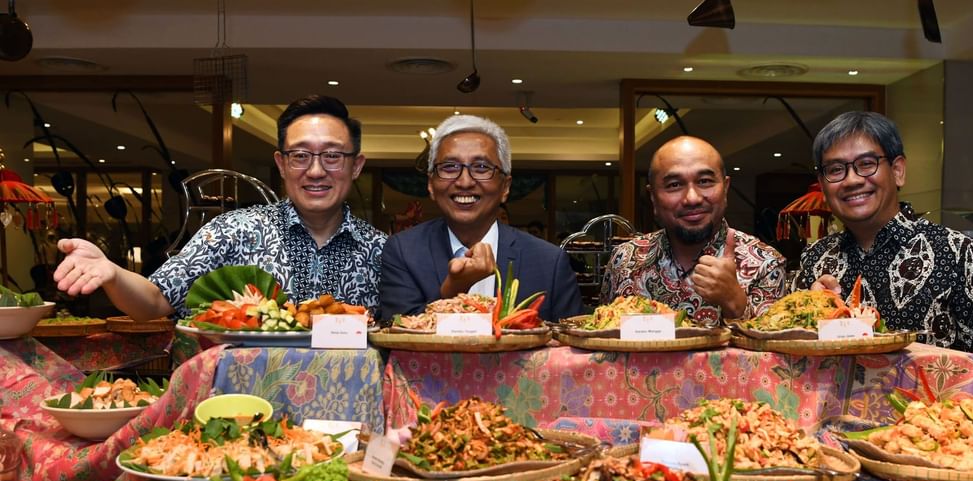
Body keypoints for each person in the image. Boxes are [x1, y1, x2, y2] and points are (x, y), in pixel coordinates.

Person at [53, 95, 387, 319]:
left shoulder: (383, 251)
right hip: (242, 402)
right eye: (300, 155)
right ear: (281, 164)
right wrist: (113, 273)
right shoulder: (234, 231)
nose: (315, 171)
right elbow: (155, 300)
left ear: (356, 166)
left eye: (332, 156)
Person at [795, 111, 973, 415]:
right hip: (829, 435)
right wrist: (811, 313)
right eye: (835, 169)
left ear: (898, 170)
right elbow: (793, 364)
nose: (851, 180)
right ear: (823, 184)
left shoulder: (955, 252)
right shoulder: (815, 259)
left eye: (866, 164)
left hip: (931, 436)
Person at [379, 115, 582, 322]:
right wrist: (454, 291)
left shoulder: (549, 262)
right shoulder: (403, 252)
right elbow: (397, 332)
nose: (465, 182)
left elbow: (571, 339)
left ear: (505, 187)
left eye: (482, 168)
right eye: (449, 167)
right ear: (431, 185)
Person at [600, 135, 785, 324]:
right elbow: (600, 333)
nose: (692, 198)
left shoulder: (765, 264)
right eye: (674, 185)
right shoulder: (625, 261)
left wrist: (736, 306)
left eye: (704, 181)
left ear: (725, 188)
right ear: (653, 197)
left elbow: (778, 340)